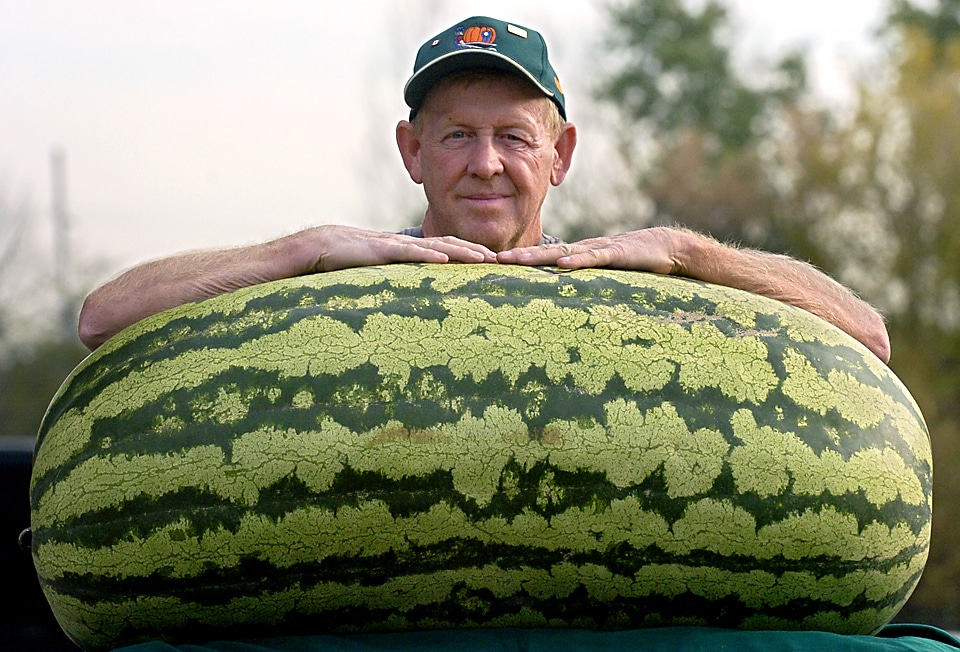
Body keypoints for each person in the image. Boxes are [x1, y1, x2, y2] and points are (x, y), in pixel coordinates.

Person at [78, 15, 891, 363]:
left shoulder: (635, 287)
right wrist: (303, 250)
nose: (486, 163)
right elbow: (100, 317)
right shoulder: (338, 286)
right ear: (412, 151)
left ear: (561, 154)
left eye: (513, 137)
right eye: (458, 135)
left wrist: (689, 252)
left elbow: (869, 335)